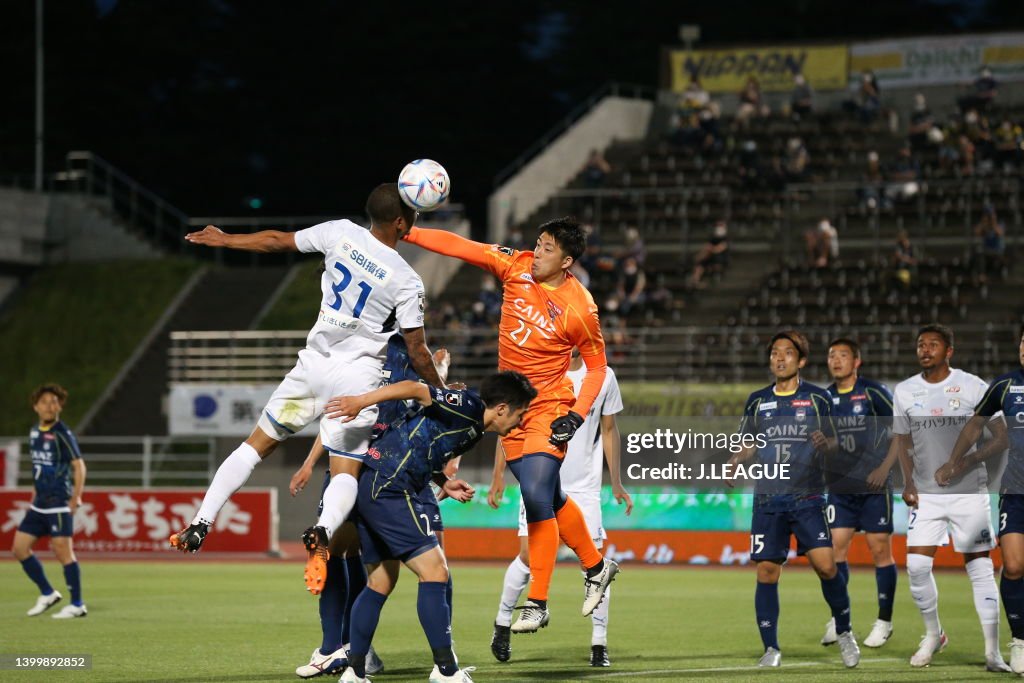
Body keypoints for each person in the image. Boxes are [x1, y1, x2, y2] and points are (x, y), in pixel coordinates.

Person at [170, 184, 446, 597]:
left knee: (255, 446)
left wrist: (226, 239)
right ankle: (321, 530)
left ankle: (201, 522)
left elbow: (277, 242)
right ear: (403, 222)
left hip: (312, 366)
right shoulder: (407, 279)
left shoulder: (339, 232)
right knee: (346, 469)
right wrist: (440, 390)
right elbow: (418, 351)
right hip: (356, 378)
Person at [403, 216, 619, 633]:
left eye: (548, 249)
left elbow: (597, 369)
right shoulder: (514, 266)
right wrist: (407, 232)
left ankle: (537, 600)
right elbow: (458, 245)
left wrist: (575, 416)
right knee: (548, 496)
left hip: (550, 406)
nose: (537, 253)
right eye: (537, 244)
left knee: (538, 493)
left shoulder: (581, 307)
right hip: (510, 411)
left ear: (567, 260)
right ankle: (595, 566)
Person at [324, 370, 538, 683]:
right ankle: (446, 671)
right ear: (502, 408)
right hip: (389, 485)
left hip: (375, 481)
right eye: (520, 414)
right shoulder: (467, 406)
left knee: (380, 582)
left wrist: (443, 481)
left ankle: (354, 673)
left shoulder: (475, 428)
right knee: (435, 572)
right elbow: (414, 388)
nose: (521, 422)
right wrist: (361, 401)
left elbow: (421, 442)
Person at [290, 335, 449, 678]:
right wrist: (309, 462)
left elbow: (430, 412)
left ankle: (359, 651)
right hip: (352, 463)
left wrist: (441, 377)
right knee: (341, 553)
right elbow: (339, 414)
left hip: (393, 470)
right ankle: (337, 648)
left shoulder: (411, 353)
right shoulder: (353, 348)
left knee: (418, 565)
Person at [869, 324, 1009, 670]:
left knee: (979, 568)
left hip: (968, 494)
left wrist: (965, 461)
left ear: (949, 351)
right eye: (920, 344)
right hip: (927, 496)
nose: (925, 349)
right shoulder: (904, 390)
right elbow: (902, 439)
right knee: (916, 566)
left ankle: (992, 652)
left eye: (933, 344)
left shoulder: (974, 386)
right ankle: (934, 634)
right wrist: (907, 483)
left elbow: (1000, 437)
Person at [488, 352, 632, 666]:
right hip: (539, 478)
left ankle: (599, 643)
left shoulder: (603, 376)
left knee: (593, 562)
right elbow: (511, 425)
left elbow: (609, 431)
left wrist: (616, 481)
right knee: (528, 556)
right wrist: (498, 475)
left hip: (584, 484)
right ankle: (502, 623)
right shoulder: (536, 371)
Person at [727, 331, 860, 669]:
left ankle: (844, 631)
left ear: (801, 361)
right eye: (775, 353)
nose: (780, 358)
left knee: (827, 566)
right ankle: (771, 648)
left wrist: (824, 443)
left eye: (787, 353)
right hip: (768, 501)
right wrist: (735, 461)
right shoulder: (757, 400)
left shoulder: (817, 398)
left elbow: (835, 442)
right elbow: (750, 441)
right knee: (767, 572)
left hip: (808, 498)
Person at [937, 326, 1024, 672]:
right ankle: (1020, 640)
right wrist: (955, 460)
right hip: (1015, 491)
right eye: (1022, 341)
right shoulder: (1004, 386)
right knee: (1014, 565)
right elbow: (975, 425)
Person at [819, 339, 897, 649]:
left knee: (880, 550)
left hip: (874, 486)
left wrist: (885, 469)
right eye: (831, 356)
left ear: (857, 361)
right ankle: (840, 618)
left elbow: (900, 432)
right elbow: (827, 441)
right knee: (834, 551)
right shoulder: (823, 398)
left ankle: (884, 621)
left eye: (843, 356)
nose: (836, 361)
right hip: (840, 487)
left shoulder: (872, 392)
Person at [13, 384, 87, 619]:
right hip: (39, 503)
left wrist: (76, 498)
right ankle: (47, 593)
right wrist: (34, 494)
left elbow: (79, 465)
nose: (49, 406)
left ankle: (77, 604)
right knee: (20, 549)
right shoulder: (35, 431)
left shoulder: (62, 433)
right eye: (44, 402)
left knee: (63, 552)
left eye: (54, 401)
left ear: (60, 406)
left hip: (57, 502)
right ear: (35, 406)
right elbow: (39, 468)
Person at [688, 220, 730, 288]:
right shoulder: (713, 238)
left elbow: (718, 249)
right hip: (710, 258)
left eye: (721, 226)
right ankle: (695, 281)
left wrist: (710, 249)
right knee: (699, 265)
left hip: (720, 259)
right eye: (718, 226)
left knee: (707, 254)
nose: (719, 228)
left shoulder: (725, 239)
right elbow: (707, 247)